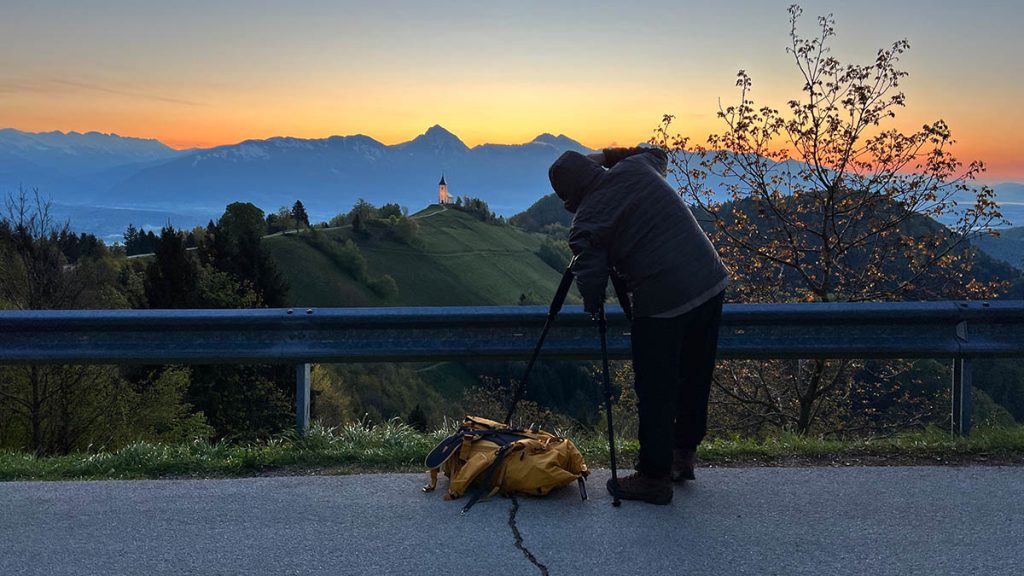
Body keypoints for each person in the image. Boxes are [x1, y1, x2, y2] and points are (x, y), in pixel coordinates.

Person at [548, 146, 729, 505]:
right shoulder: (638, 167)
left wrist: (593, 306)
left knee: (656, 387)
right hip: (709, 280)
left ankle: (654, 477)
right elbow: (657, 151)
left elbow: (592, 276)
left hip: (662, 299)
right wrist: (601, 156)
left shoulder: (588, 218)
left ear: (567, 197)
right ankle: (682, 456)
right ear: (592, 168)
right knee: (695, 374)